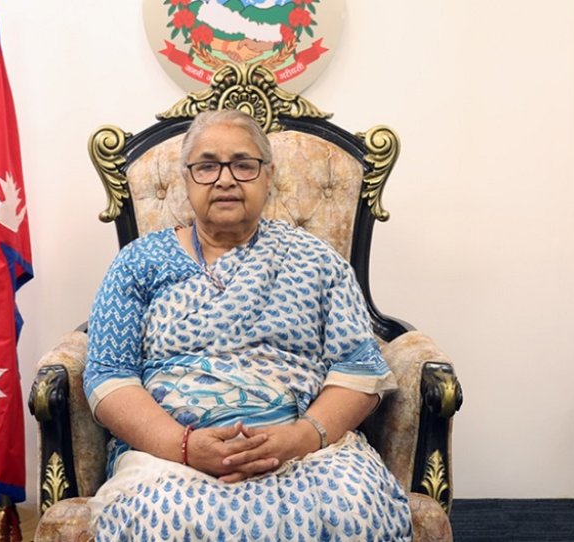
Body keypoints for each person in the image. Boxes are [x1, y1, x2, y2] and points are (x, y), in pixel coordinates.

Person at [84, 109, 413, 540]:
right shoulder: (138, 263)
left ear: (268, 175)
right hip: (169, 454)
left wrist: (299, 438)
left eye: (243, 164)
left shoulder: (316, 261)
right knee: (159, 516)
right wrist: (184, 446)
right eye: (207, 166)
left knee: (355, 509)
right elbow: (109, 376)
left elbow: (359, 372)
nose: (225, 180)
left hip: (305, 450)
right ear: (186, 179)